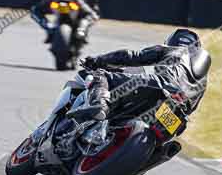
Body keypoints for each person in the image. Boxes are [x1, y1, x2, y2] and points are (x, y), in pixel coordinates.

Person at [69, 28, 211, 122]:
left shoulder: (172, 49)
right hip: (178, 111)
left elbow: (131, 56)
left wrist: (97, 61)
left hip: (160, 85)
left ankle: (98, 106)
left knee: (101, 76)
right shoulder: (203, 80)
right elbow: (192, 108)